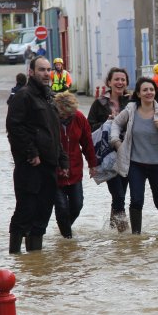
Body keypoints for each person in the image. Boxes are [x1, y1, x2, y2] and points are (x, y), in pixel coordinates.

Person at [6, 56, 69, 254]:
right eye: (41, 69)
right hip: (30, 166)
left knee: (43, 214)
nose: (46, 73)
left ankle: (35, 261)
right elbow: (14, 127)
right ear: (31, 72)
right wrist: (31, 152)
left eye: (48, 69)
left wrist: (63, 159)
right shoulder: (23, 96)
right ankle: (15, 256)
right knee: (26, 212)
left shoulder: (48, 97)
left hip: (49, 165)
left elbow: (54, 132)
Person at [110, 78, 158, 235]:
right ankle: (136, 236)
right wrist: (116, 142)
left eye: (151, 89)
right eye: (145, 90)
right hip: (136, 164)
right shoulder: (131, 110)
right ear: (138, 94)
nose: (149, 92)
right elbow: (116, 124)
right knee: (136, 200)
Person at [87, 67, 131, 232]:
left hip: (128, 154)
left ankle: (113, 229)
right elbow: (89, 128)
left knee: (121, 195)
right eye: (117, 79)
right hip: (107, 156)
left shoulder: (132, 102)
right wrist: (107, 122)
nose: (120, 82)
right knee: (118, 195)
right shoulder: (100, 103)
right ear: (109, 82)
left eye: (123, 80)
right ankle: (124, 232)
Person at [53, 92, 97, 239]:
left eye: (68, 114)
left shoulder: (79, 118)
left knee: (77, 205)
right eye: (62, 114)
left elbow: (87, 142)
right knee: (61, 207)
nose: (65, 117)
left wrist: (92, 164)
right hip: (55, 172)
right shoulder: (51, 118)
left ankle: (64, 230)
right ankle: (67, 240)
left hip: (75, 170)